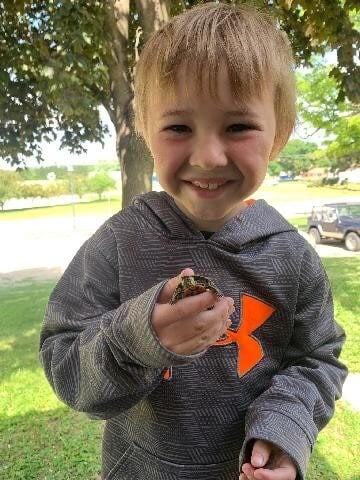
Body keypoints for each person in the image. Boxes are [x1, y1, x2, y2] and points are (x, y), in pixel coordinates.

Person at [39, 3, 347, 480]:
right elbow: (64, 363)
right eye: (179, 127)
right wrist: (137, 338)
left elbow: (317, 361)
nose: (206, 156)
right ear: (146, 132)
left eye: (238, 126)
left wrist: (286, 429)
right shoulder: (120, 242)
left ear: (278, 134)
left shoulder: (293, 259)